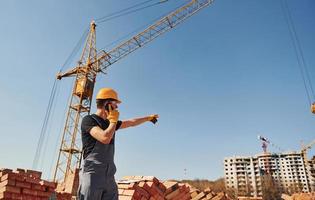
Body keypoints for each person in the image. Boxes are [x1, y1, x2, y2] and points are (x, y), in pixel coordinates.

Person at [77, 88, 158, 200]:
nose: (117, 107)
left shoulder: (110, 123)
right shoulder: (89, 120)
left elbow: (131, 122)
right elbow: (104, 137)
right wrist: (113, 121)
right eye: (115, 103)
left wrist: (148, 118)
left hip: (109, 176)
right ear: (107, 104)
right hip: (92, 175)